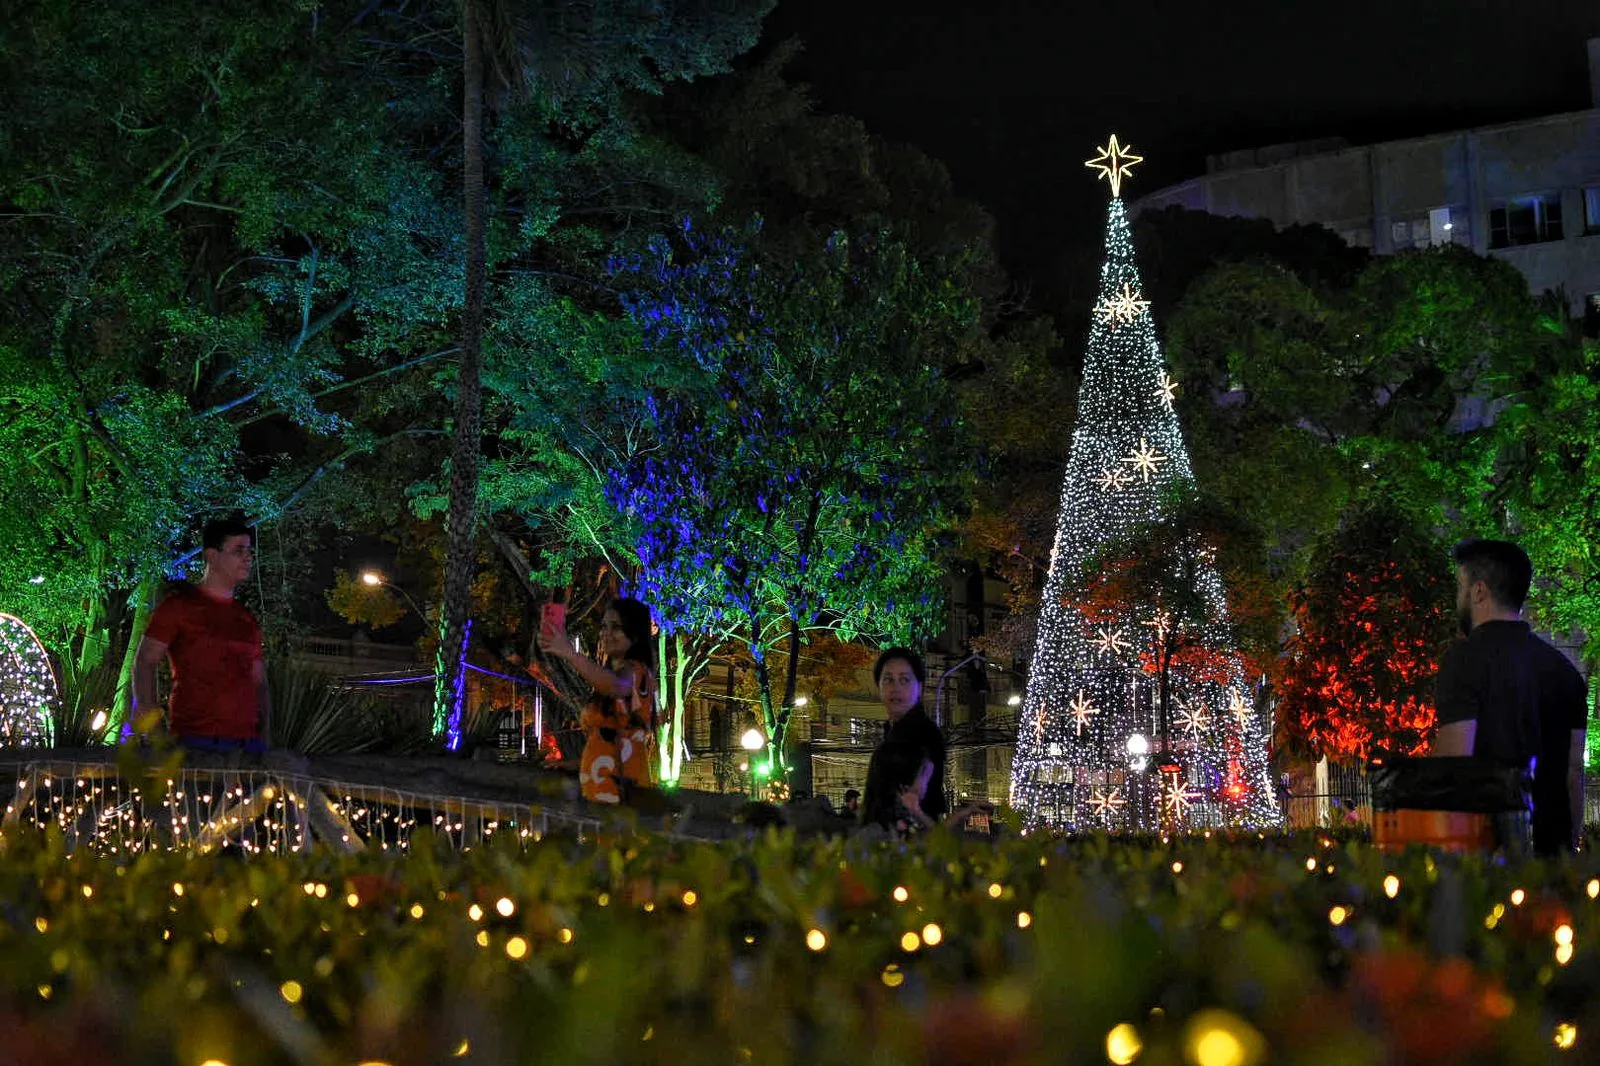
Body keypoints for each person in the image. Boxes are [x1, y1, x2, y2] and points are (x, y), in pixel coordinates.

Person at [1433, 539, 1588, 856]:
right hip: (1552, 860)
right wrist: (1570, 850)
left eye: (1460, 587)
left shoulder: (1462, 661)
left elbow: (1453, 767)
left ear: (1478, 591)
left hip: (1488, 863)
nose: (1457, 598)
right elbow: (1574, 772)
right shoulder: (1566, 672)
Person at [132, 518, 272, 752]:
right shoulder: (179, 608)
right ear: (212, 556)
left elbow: (260, 680)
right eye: (239, 550)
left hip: (249, 745)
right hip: (196, 741)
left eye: (250, 551)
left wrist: (266, 734)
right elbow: (144, 662)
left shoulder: (246, 619)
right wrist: (155, 731)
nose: (248, 557)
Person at [540, 598, 658, 804]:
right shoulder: (611, 677)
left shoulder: (636, 672)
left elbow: (616, 687)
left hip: (622, 795)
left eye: (616, 627)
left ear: (635, 633)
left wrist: (569, 653)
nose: (605, 633)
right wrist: (578, 763)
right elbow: (612, 742)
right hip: (600, 792)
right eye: (603, 626)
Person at [875, 647, 947, 819]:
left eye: (904, 680)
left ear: (919, 687)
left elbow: (927, 765)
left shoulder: (926, 733)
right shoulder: (891, 732)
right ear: (879, 687)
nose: (895, 688)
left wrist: (916, 790)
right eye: (888, 679)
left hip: (915, 836)